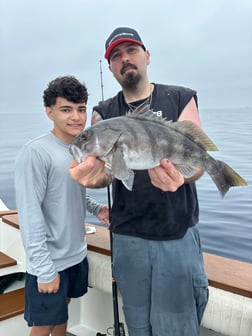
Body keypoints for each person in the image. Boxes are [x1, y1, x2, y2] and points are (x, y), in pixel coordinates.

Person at [69, 28, 209, 336]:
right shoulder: (103, 113)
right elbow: (106, 170)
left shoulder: (180, 97)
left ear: (146, 55)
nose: (125, 59)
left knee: (177, 326)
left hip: (176, 236)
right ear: (110, 69)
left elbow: (197, 160)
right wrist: (92, 179)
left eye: (131, 50)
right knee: (138, 326)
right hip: (127, 238)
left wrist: (182, 178)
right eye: (116, 56)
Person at [14, 76, 109, 336]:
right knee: (43, 327)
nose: (76, 117)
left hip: (75, 255)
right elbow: (30, 214)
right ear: (49, 112)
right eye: (66, 109)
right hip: (49, 262)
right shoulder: (35, 152)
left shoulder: (80, 150)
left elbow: (71, 191)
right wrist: (45, 271)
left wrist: (95, 208)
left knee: (62, 315)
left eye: (81, 109)